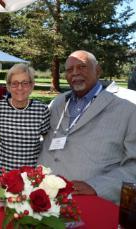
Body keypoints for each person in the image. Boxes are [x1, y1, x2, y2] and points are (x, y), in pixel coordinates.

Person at [38, 50, 136, 203]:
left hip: (88, 204)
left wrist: (97, 187)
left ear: (97, 71)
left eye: (82, 67)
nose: (75, 73)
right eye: (70, 70)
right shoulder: (57, 103)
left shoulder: (128, 110)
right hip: (42, 197)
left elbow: (133, 166)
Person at [0, 63, 50, 176]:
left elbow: (48, 141)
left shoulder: (41, 110)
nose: (20, 87)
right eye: (14, 83)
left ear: (32, 85)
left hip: (30, 178)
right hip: (1, 175)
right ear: (8, 87)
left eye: (25, 83)